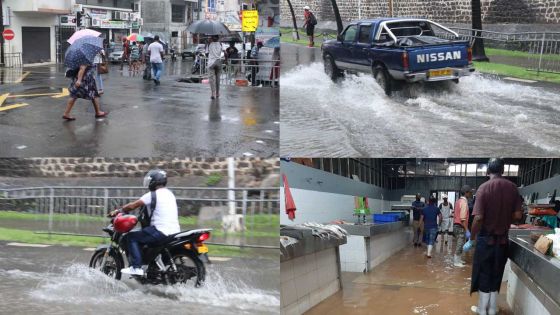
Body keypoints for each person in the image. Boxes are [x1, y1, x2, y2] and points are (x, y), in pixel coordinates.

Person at [465, 159, 522, 315]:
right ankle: (492, 309)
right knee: (497, 274)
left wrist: (472, 238)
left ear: (487, 171)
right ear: (503, 171)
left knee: (484, 274)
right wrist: (504, 219)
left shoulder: (484, 188)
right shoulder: (513, 188)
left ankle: (482, 310)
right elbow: (518, 214)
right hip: (503, 241)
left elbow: (478, 218)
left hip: (486, 240)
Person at [108, 169, 181, 276]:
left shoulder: (152, 195)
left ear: (154, 182)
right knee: (144, 235)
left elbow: (133, 205)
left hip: (160, 230)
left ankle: (136, 267)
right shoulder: (170, 194)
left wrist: (119, 211)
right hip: (174, 231)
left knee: (131, 237)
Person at [453, 185, 473, 267]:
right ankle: (456, 262)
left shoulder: (458, 201)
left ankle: (458, 259)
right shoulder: (464, 203)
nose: (471, 194)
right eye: (470, 192)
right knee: (460, 243)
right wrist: (467, 229)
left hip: (456, 225)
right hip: (460, 226)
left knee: (460, 242)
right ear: (466, 193)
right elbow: (463, 219)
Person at [207, 35, 224, 99]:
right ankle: (217, 93)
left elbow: (206, 53)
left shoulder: (209, 44)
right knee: (218, 79)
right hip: (218, 62)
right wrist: (226, 60)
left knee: (212, 79)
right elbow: (225, 53)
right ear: (218, 38)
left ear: (212, 38)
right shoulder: (221, 44)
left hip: (211, 63)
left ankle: (213, 93)